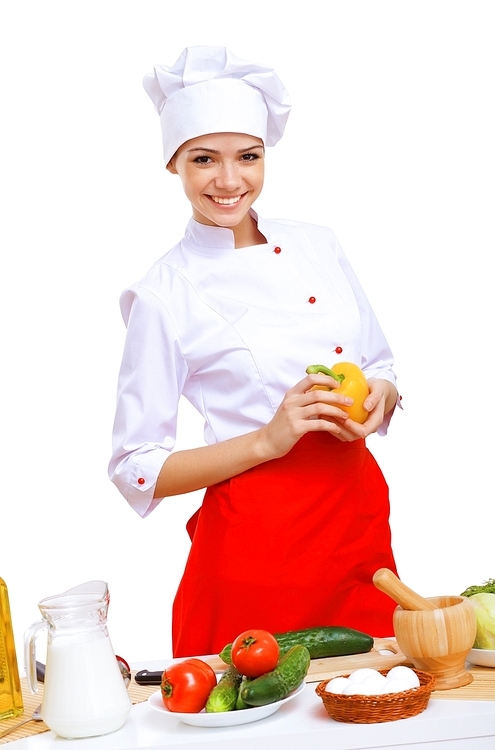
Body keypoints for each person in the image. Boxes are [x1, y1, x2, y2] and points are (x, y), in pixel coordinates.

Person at [109, 46, 401, 658]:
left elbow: (377, 363)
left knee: (374, 707)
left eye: (248, 156)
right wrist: (269, 441)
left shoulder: (318, 244)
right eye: (204, 160)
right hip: (257, 548)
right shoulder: (165, 293)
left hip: (356, 527)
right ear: (173, 165)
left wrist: (382, 397)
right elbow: (137, 464)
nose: (229, 180)